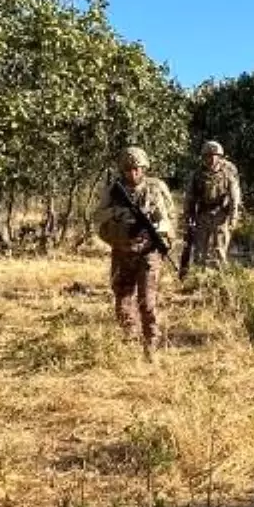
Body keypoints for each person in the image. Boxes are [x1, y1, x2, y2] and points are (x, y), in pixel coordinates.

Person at [92, 146, 175, 359]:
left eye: (137, 168)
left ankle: (151, 344)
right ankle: (130, 339)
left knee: (147, 303)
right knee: (122, 302)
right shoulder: (114, 190)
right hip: (122, 252)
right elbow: (98, 216)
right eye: (128, 169)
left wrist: (161, 231)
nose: (133, 173)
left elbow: (170, 217)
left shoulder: (156, 188)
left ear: (144, 168)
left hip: (148, 252)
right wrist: (118, 211)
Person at [183, 140, 241, 271]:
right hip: (202, 214)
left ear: (220, 157)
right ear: (204, 157)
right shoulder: (197, 174)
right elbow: (189, 196)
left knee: (220, 250)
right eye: (208, 155)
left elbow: (234, 197)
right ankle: (198, 279)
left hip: (221, 214)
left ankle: (221, 280)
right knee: (199, 251)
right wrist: (188, 215)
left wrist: (233, 217)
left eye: (215, 155)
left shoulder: (228, 173)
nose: (212, 159)